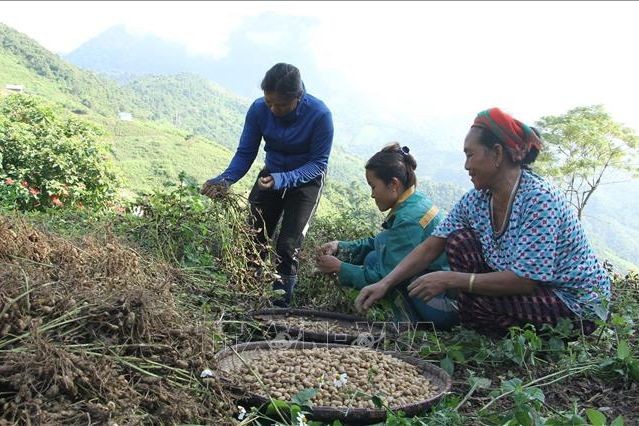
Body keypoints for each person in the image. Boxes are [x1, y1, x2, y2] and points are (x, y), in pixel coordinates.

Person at [355, 108, 611, 335]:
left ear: (497, 153)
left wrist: (453, 280)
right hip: (527, 289)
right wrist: (384, 283)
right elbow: (434, 244)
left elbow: (525, 280)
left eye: (470, 155)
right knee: (458, 242)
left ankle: (494, 326)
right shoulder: (477, 199)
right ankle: (486, 319)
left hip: (572, 301)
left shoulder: (538, 201)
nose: (466, 165)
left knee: (475, 304)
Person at [201, 63, 334, 307]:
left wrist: (283, 180)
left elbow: (318, 164)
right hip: (271, 174)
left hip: (307, 181)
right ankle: (250, 295)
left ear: (298, 96)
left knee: (288, 246)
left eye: (281, 105)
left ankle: (280, 307)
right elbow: (245, 152)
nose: (273, 109)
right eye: (269, 102)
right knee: (253, 235)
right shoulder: (258, 109)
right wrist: (225, 180)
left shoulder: (320, 115)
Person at [315, 143, 458, 329]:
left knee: (377, 264)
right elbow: (382, 243)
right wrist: (340, 246)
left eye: (373, 187)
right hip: (439, 293)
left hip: (443, 304)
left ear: (393, 184)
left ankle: (410, 328)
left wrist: (341, 268)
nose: (372, 195)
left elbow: (384, 277)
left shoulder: (409, 219)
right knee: (373, 256)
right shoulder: (414, 202)